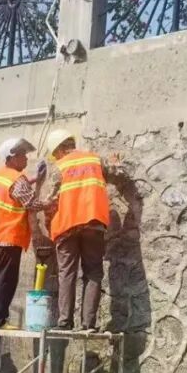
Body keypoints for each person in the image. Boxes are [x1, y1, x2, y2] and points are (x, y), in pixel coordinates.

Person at [0, 137, 47, 329]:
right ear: (12, 157)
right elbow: (31, 203)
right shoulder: (17, 179)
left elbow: (15, 191)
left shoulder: (0, 175)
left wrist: (32, 179)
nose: (26, 158)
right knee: (5, 280)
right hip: (8, 237)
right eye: (22, 155)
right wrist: (51, 203)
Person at [44, 130, 111, 332]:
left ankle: (65, 322)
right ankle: (88, 324)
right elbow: (116, 173)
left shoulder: (59, 167)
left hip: (66, 225)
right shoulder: (95, 160)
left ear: (59, 149)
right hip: (93, 222)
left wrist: (48, 222)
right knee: (93, 272)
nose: (56, 158)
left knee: (66, 273)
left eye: (55, 154)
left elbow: (50, 201)